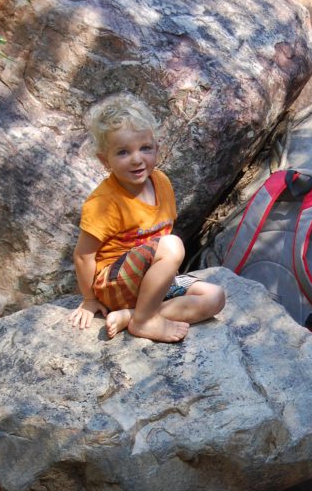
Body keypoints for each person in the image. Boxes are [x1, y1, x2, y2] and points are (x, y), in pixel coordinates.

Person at [68, 93, 225, 344]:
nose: (137, 159)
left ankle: (133, 315)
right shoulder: (104, 202)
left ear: (156, 148)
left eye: (145, 148)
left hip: (149, 285)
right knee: (173, 244)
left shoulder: (161, 182)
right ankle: (144, 320)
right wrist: (89, 299)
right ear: (104, 160)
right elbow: (83, 255)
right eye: (123, 152)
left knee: (215, 296)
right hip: (114, 284)